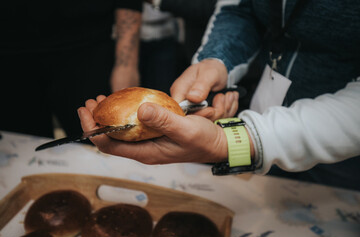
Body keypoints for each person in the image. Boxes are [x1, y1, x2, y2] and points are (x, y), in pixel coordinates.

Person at [77, 0, 360, 191]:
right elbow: (241, 9)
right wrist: (216, 59)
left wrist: (230, 142)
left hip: (343, 154)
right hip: (263, 113)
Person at [0, 0, 142, 138]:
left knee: (105, 142)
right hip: (9, 56)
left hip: (88, 50)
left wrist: (126, 65)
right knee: (21, 149)